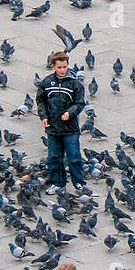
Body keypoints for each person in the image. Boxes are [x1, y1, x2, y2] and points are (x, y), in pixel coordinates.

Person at [37, 51, 86, 192]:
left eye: (64, 67)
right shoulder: (46, 83)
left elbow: (80, 103)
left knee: (75, 157)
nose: (62, 70)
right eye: (59, 67)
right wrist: (43, 116)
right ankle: (57, 183)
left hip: (70, 128)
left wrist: (70, 113)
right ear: (53, 66)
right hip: (53, 127)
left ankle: (79, 183)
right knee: (54, 157)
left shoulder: (75, 84)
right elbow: (41, 101)